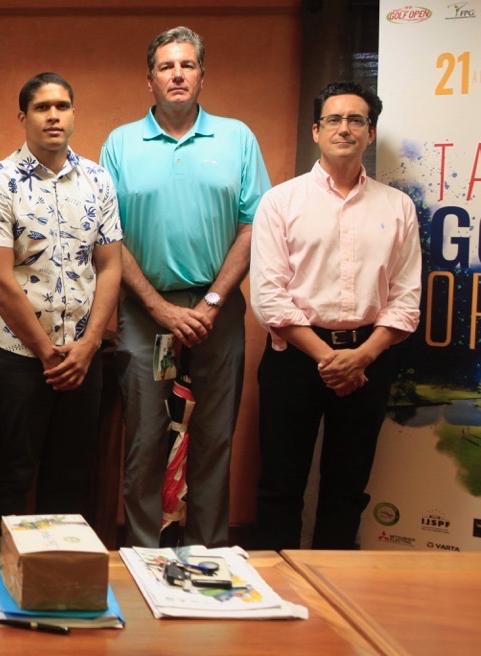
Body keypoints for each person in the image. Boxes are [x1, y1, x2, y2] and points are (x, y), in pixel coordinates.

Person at [100, 26, 270, 548]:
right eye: (166, 66)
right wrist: (159, 308)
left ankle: (211, 551)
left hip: (217, 313)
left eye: (187, 65)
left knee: (214, 438)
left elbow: (252, 225)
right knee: (146, 438)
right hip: (146, 314)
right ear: (149, 79)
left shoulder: (236, 137)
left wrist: (214, 300)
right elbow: (109, 235)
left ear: (202, 75)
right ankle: (145, 554)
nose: (177, 74)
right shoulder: (121, 143)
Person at [250, 82, 421, 551]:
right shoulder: (281, 202)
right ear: (315, 130)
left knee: (347, 489)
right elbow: (269, 298)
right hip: (295, 360)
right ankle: (275, 593)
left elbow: (406, 299)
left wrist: (360, 357)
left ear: (370, 133)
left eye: (356, 120)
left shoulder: (397, 207)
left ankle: (338, 595)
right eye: (334, 119)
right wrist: (330, 358)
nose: (344, 128)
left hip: (369, 361)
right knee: (280, 487)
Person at [0, 73, 123, 538]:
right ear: (23, 117)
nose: (53, 115)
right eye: (42, 107)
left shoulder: (98, 179)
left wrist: (89, 345)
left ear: (73, 113)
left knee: (70, 472)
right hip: (20, 358)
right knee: (16, 469)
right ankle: (4, 573)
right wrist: (46, 353)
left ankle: (57, 573)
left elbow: (111, 267)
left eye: (62, 105)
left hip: (83, 357)